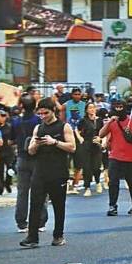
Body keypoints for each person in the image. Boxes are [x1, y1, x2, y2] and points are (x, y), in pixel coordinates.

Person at [20, 98, 76, 248]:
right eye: (40, 114)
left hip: (58, 173)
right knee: (35, 205)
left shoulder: (64, 127)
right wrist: (36, 144)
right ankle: (32, 237)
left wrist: (55, 142)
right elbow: (31, 151)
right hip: (40, 172)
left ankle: (58, 235)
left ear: (53, 111)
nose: (43, 116)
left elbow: (72, 147)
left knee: (59, 206)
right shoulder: (38, 128)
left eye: (46, 113)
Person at [99, 100, 132, 216]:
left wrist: (131, 133)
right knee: (113, 182)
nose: (118, 109)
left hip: (130, 158)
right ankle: (112, 205)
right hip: (115, 157)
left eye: (120, 107)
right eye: (116, 107)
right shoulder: (112, 122)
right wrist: (109, 122)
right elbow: (101, 134)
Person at [12, 94, 48, 232]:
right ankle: (41, 221)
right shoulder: (39, 121)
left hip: (22, 157)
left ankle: (21, 222)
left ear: (21, 105)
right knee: (41, 190)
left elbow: (11, 140)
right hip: (38, 158)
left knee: (22, 192)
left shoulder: (16, 121)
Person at [77, 102, 104, 196]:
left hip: (96, 145)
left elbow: (103, 132)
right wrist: (80, 139)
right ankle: (87, 187)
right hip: (86, 144)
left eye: (93, 108)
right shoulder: (83, 120)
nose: (92, 109)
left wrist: (101, 139)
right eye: (90, 108)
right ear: (86, 110)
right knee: (86, 167)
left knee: (96, 166)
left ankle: (98, 182)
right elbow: (77, 130)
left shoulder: (99, 120)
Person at [0, 110, 14, 195]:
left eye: (4, 116)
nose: (2, 118)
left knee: (10, 169)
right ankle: (1, 187)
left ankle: (8, 183)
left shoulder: (9, 126)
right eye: (1, 116)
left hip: (8, 150)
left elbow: (13, 137)